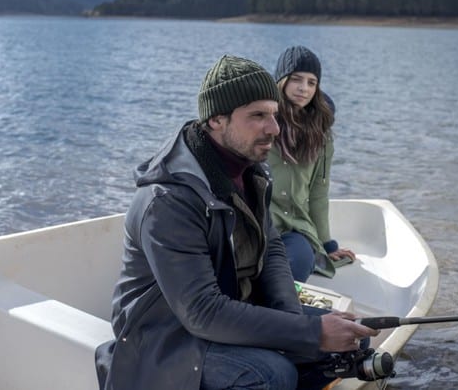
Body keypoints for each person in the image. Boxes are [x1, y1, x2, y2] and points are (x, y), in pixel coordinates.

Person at [96, 55, 377, 390]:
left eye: (274, 114)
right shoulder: (168, 200)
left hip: (230, 312)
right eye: (258, 116)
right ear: (216, 119)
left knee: (352, 342)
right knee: (273, 374)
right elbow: (202, 311)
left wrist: (292, 321)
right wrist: (310, 332)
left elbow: (272, 248)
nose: (274, 128)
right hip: (164, 336)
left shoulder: (250, 171)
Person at [268, 45, 355, 282]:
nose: (303, 88)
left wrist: (327, 244)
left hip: (294, 228)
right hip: (257, 223)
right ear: (281, 81)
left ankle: (281, 302)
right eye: (296, 79)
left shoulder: (321, 136)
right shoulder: (262, 123)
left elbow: (318, 193)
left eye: (311, 82)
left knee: (299, 262)